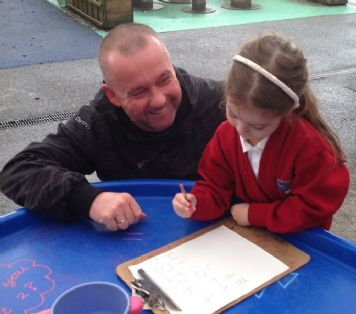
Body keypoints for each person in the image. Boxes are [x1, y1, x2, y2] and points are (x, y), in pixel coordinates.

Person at [0, 23, 225, 231]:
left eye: (164, 79)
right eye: (139, 91)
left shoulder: (220, 103)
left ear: (172, 69)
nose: (159, 100)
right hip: (133, 241)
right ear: (113, 95)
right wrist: (88, 199)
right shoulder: (98, 123)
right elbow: (19, 171)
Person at [173, 33, 350, 233]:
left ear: (288, 111)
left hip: (298, 239)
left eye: (258, 126)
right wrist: (196, 203)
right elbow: (215, 187)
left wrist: (255, 215)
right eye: (233, 114)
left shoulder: (311, 147)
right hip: (248, 237)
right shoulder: (226, 135)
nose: (241, 130)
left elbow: (314, 206)